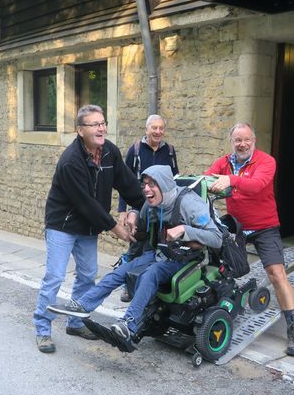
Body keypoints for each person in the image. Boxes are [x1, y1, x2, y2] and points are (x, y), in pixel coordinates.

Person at [47, 165, 222, 351]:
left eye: (152, 184)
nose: (146, 189)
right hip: (159, 253)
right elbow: (143, 228)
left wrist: (184, 230)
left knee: (150, 274)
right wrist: (134, 216)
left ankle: (128, 324)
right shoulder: (151, 205)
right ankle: (82, 305)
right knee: (121, 271)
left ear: (164, 184)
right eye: (145, 184)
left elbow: (216, 238)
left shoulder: (190, 204)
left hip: (185, 258)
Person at [33, 104, 145, 354]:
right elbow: (86, 203)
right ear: (80, 130)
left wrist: (138, 208)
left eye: (103, 123)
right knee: (54, 277)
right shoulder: (70, 161)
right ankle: (42, 329)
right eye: (95, 124)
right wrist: (115, 227)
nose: (101, 128)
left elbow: (128, 185)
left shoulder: (110, 153)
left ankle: (75, 322)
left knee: (87, 274)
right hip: (63, 225)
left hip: (88, 226)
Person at [205, 123, 294, 357]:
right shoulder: (224, 162)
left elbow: (257, 185)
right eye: (237, 140)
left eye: (246, 140)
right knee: (214, 265)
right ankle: (216, 309)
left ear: (254, 140)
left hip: (264, 226)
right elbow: (207, 179)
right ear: (231, 142)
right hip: (237, 227)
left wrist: (230, 181)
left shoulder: (266, 161)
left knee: (276, 273)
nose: (242, 144)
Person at [117, 114, 179, 302]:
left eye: (161, 128)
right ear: (146, 129)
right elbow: (123, 182)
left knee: (156, 246)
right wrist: (123, 211)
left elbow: (175, 180)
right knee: (136, 246)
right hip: (139, 205)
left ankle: (149, 285)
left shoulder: (169, 151)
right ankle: (127, 286)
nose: (158, 132)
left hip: (161, 209)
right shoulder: (135, 150)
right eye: (154, 128)